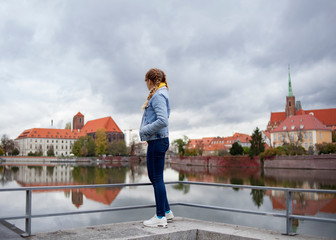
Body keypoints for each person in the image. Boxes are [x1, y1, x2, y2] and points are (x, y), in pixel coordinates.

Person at [139, 68, 174, 228]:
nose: (145, 84)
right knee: (155, 177)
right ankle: (166, 211)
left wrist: (144, 131)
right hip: (157, 140)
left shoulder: (159, 95)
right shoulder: (162, 94)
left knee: (157, 178)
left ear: (150, 81)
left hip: (158, 140)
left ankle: (160, 217)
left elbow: (163, 120)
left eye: (146, 81)